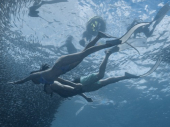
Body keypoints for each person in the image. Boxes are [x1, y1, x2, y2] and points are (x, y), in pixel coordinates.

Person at [8, 22, 150, 85]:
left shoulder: (37, 75)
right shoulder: (45, 81)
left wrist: (15, 82)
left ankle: (108, 44)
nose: (36, 82)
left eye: (35, 81)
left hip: (61, 63)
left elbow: (24, 79)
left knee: (84, 54)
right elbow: (59, 82)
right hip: (66, 69)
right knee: (83, 53)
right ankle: (99, 36)